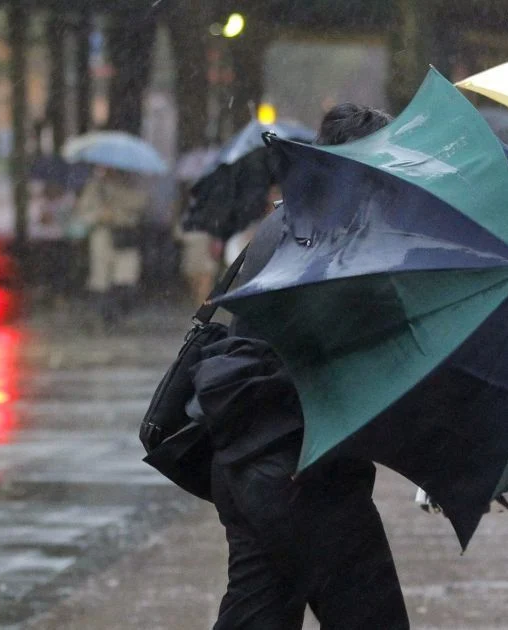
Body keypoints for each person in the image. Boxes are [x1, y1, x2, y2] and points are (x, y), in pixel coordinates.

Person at [192, 103, 409, 629]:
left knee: (258, 610)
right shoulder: (338, 238)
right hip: (304, 472)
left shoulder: (286, 223)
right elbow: (350, 354)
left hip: (246, 461)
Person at [74, 167, 149, 326]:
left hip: (125, 235)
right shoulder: (95, 187)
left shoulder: (131, 186)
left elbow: (142, 203)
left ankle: (120, 312)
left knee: (126, 277)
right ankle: (106, 316)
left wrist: (118, 204)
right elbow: (84, 212)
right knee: (101, 278)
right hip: (102, 235)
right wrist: (100, 214)